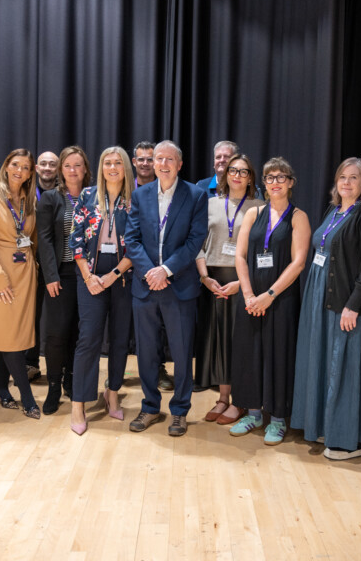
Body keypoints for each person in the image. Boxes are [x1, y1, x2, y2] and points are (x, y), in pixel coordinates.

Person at [291, 157, 361, 460]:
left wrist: (353, 305)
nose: (346, 183)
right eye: (342, 177)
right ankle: (324, 425)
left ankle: (349, 439)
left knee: (343, 370)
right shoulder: (333, 211)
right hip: (320, 300)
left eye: (354, 178)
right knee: (323, 365)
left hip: (348, 305)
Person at [124, 140, 207, 437]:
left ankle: (180, 411)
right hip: (146, 286)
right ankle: (149, 407)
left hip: (179, 285)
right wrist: (150, 273)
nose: (163, 163)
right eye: (158, 158)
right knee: (146, 352)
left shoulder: (195, 196)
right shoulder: (140, 194)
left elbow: (195, 240)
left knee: (182, 352)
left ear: (179, 164)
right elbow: (131, 239)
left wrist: (166, 270)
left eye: (169, 159)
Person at [228, 158, 310, 445]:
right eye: (269, 177)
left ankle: (277, 418)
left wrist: (269, 295)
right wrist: (249, 295)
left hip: (281, 298)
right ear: (263, 182)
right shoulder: (253, 213)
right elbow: (239, 256)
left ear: (290, 182)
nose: (275, 182)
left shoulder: (298, 217)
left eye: (281, 177)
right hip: (251, 298)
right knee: (249, 353)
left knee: (279, 355)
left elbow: (299, 263)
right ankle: (252, 413)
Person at [68, 146, 135, 435]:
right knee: (89, 340)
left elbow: (138, 245)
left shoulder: (136, 199)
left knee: (120, 340)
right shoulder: (87, 196)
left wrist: (114, 274)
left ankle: (113, 391)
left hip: (122, 279)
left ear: (126, 168)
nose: (112, 167)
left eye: (117, 162)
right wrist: (89, 276)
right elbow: (76, 240)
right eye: (107, 162)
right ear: (100, 167)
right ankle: (79, 403)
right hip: (90, 280)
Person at [194, 154, 262, 424]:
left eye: (243, 172)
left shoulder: (260, 207)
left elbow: (260, 252)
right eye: (233, 170)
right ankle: (222, 398)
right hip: (213, 281)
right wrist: (203, 278)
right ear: (225, 175)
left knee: (240, 342)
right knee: (218, 343)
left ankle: (240, 401)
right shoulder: (208, 204)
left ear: (250, 178)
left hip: (242, 282)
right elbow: (197, 243)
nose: (237, 175)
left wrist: (243, 284)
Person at [0, 148, 41, 419]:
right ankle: (26, 396)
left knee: (15, 334)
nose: (20, 171)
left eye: (26, 167)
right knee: (8, 334)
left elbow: (32, 236)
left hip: (25, 274)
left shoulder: (28, 199)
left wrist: (34, 266)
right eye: (16, 165)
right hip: (0, 273)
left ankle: (1, 387)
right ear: (6, 166)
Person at [37, 145, 91, 414]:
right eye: (67, 165)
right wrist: (50, 275)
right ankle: (54, 386)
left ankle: (73, 381)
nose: (73, 170)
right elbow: (44, 239)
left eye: (77, 165)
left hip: (88, 276)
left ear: (85, 169)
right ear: (61, 170)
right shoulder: (50, 198)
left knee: (80, 334)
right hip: (61, 274)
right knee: (56, 334)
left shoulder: (94, 196)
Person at [132, 140, 173, 392]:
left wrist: (156, 272)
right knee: (128, 327)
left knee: (159, 327)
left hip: (158, 272)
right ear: (134, 162)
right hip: (128, 268)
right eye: (142, 159)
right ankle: (122, 372)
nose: (147, 163)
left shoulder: (175, 192)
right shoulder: (128, 190)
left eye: (151, 158)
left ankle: (158, 369)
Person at [26, 150, 60, 381]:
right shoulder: (25, 193)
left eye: (52, 164)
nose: (47, 168)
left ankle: (60, 366)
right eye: (43, 164)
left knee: (58, 318)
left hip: (59, 264)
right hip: (29, 264)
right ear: (36, 168)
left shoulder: (65, 193)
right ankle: (30, 363)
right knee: (30, 316)